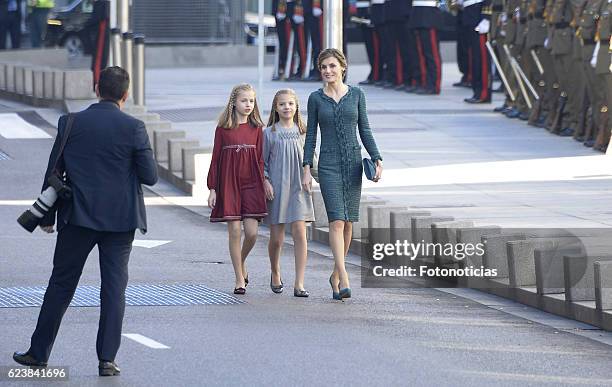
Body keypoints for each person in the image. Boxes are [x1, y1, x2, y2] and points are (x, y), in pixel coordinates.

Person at [13, 66, 158, 376]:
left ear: (96, 89)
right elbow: (150, 176)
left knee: (61, 285)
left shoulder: (71, 122)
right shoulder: (134, 127)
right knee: (114, 288)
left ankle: (38, 353)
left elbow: (53, 170)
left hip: (76, 217)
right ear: (125, 94)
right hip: (120, 221)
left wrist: (47, 216)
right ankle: (107, 359)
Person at [302, 48, 383, 300]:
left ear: (342, 68)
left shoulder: (357, 95)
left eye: (332, 66)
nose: (328, 71)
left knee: (348, 223)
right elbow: (311, 136)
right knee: (336, 220)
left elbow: (365, 130)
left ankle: (335, 275)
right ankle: (345, 276)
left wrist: (377, 157)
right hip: (327, 165)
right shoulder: (315, 98)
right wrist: (306, 166)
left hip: (353, 164)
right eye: (324, 67)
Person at [207, 84, 267, 295]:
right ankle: (239, 279)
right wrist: (212, 188)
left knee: (251, 233)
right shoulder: (223, 128)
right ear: (234, 102)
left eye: (251, 101)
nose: (248, 105)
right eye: (244, 100)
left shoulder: (257, 128)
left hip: (252, 182)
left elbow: (260, 159)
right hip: (229, 183)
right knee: (234, 230)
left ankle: (240, 260)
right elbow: (215, 159)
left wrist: (265, 182)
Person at [263, 89, 315, 297]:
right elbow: (262, 162)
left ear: (296, 107)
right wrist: (265, 181)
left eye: (290, 104)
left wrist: (309, 172)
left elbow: (310, 157)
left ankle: (299, 283)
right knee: (277, 238)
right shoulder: (269, 133)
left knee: (301, 234)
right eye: (282, 104)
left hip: (299, 188)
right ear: (276, 108)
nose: (287, 107)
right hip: (277, 187)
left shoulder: (303, 131)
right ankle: (275, 272)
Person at [85, 0, 110, 90]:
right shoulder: (102, 3)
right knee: (99, 58)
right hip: (100, 29)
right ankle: (97, 83)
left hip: (101, 29)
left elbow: (96, 19)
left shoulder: (101, 4)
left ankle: (97, 83)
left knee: (99, 59)